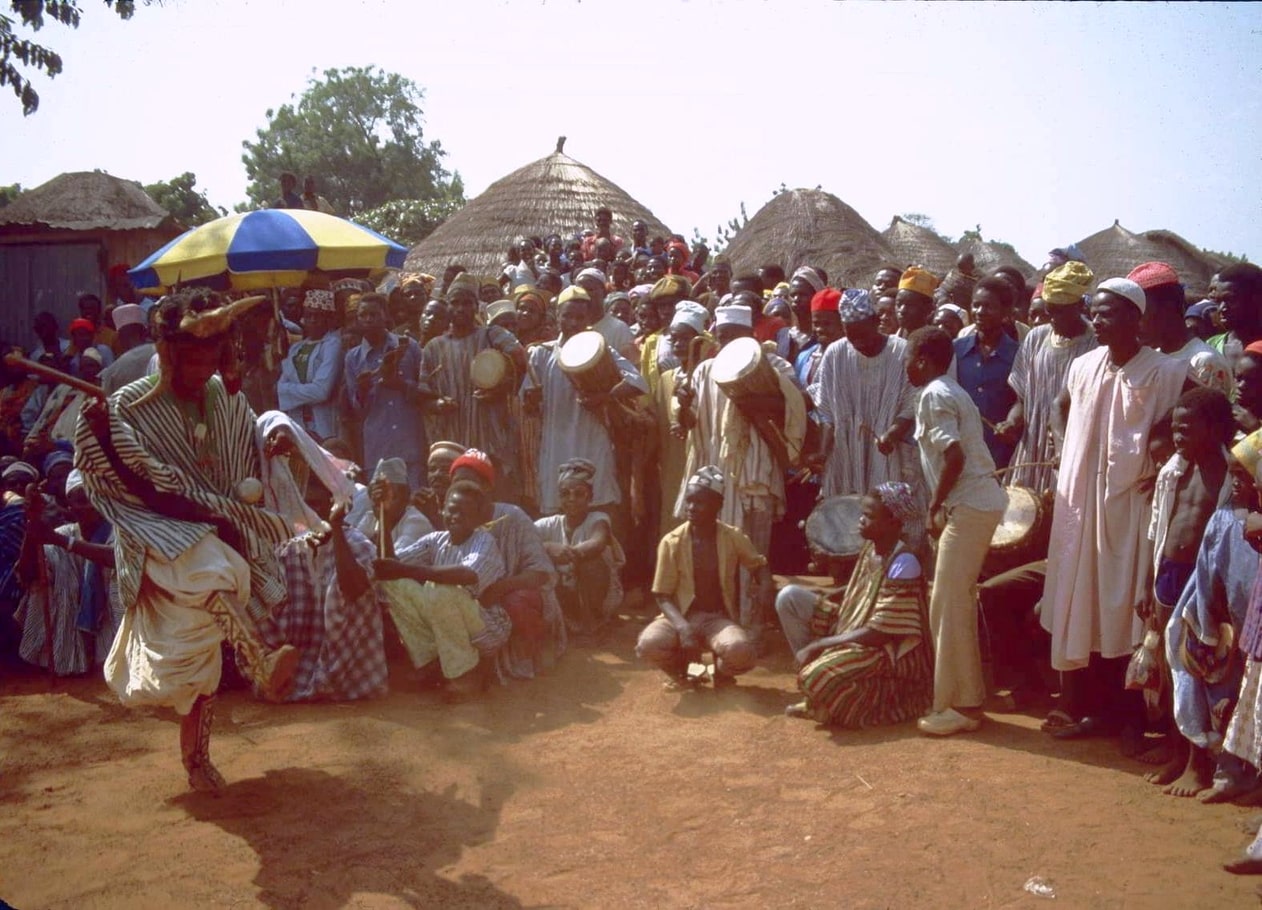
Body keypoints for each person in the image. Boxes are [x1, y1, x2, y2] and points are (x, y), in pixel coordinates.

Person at [73, 288, 299, 792]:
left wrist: (272, 446)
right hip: (158, 534)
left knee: (200, 662)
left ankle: (197, 761)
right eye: (191, 357)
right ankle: (259, 658)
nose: (201, 368)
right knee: (210, 568)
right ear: (169, 354)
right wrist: (103, 436)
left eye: (209, 356)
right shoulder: (127, 406)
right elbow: (103, 472)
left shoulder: (227, 398)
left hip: (217, 526)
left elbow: (244, 456)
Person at [1041, 278, 1189, 746]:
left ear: (1135, 318)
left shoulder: (1165, 371)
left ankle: (1130, 718)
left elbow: (1198, 411)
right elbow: (1061, 407)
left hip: (1131, 508)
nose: (1096, 320)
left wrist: (1163, 450)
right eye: (1095, 313)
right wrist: (1073, 455)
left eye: (1106, 313)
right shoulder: (1083, 366)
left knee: (1124, 606)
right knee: (1082, 599)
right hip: (1082, 505)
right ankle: (1088, 710)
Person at [675, 301, 805, 646]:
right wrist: (684, 403)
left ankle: (752, 628)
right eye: (722, 335)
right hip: (715, 479)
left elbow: (793, 409)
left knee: (753, 557)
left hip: (754, 477)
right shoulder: (703, 371)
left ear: (751, 335)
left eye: (735, 336)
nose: (727, 342)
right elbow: (690, 426)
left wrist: (754, 393)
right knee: (711, 559)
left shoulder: (775, 366)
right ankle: (714, 626)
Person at [905, 326, 1006, 736]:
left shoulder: (934, 395)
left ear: (923, 361)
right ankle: (963, 698)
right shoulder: (950, 390)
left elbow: (954, 456)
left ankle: (961, 705)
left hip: (970, 505)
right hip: (974, 504)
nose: (906, 368)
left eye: (909, 361)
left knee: (947, 602)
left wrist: (933, 506)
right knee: (953, 600)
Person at [1153, 399, 1251, 799]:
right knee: (1170, 670)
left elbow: (1227, 537)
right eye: (1175, 428)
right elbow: (1161, 525)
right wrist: (1150, 583)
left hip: (1204, 587)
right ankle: (1178, 753)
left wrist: (1218, 596)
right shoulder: (1177, 469)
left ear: (1214, 429)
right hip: (1169, 577)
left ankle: (1201, 764)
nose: (1178, 436)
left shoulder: (1231, 472)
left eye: (1187, 428)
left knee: (1204, 674)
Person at [778, 482, 932, 726]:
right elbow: (863, 589)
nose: (861, 520)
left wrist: (819, 644)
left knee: (819, 676)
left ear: (894, 523)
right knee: (790, 598)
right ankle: (819, 691)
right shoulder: (872, 547)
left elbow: (881, 632)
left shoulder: (904, 562)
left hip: (887, 652)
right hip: (853, 625)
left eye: (869, 516)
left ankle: (825, 693)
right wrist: (831, 594)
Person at [372, 481, 510, 694]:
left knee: (441, 588)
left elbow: (466, 575)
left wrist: (406, 570)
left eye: (466, 512)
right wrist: (383, 516)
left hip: (488, 627)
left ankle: (465, 673)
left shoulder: (484, 541)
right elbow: (392, 567)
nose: (456, 516)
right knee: (395, 584)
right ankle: (432, 662)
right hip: (449, 618)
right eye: (452, 510)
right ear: (442, 510)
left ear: (479, 518)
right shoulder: (436, 540)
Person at [635, 466, 764, 690]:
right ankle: (681, 673)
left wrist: (763, 598)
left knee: (741, 650)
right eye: (689, 501)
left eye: (700, 502)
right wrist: (683, 628)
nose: (691, 508)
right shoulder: (671, 541)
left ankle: (721, 674)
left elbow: (759, 565)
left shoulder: (732, 537)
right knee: (648, 645)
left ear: (718, 506)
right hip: (680, 616)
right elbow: (662, 596)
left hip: (717, 619)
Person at [522, 290, 648, 517]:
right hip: (555, 444)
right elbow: (528, 402)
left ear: (588, 318)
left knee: (597, 507)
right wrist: (531, 401)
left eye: (580, 318)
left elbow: (638, 383)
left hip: (592, 439)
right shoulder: (542, 354)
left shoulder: (600, 350)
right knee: (556, 511)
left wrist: (606, 396)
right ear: (557, 316)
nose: (573, 323)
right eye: (567, 316)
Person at [450, 449, 563, 678]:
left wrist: (500, 588)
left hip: (515, 599)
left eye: (470, 482)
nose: (464, 488)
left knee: (516, 600)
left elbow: (541, 573)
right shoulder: (452, 516)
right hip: (476, 601)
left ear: (487, 487)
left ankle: (528, 657)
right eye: (457, 482)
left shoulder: (513, 517)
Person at [421, 273, 526, 498]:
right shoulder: (433, 348)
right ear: (447, 307)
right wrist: (438, 404)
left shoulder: (492, 335)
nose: (460, 309)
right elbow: (423, 394)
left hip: (491, 437)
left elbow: (521, 360)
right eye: (454, 303)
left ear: (477, 306)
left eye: (466, 303)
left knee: (495, 498)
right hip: (452, 438)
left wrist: (502, 388)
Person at [810, 289, 919, 502]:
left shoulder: (902, 352)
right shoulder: (835, 353)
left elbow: (912, 403)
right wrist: (822, 453)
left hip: (889, 453)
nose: (858, 342)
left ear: (876, 321)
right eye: (852, 336)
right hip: (845, 453)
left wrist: (893, 433)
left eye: (863, 335)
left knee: (885, 515)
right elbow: (825, 411)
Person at [999, 261, 1097, 495]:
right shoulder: (1036, 338)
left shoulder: (1097, 343)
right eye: (1049, 311)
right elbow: (1022, 398)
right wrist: (1012, 422)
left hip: (1071, 454)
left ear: (1080, 306)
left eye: (1060, 311)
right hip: (1030, 452)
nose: (1052, 318)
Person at [14, 468, 119, 675]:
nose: (90, 506)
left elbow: (117, 558)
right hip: (69, 627)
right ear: (70, 505)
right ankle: (66, 656)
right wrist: (32, 525)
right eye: (81, 500)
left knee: (120, 583)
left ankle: (114, 657)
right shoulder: (64, 533)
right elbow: (27, 574)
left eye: (95, 498)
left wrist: (63, 542)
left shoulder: (117, 533)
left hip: (112, 625)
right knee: (52, 578)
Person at [343, 293, 427, 490]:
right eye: (363, 315)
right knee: (383, 510)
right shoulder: (353, 358)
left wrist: (398, 384)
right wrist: (363, 391)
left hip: (410, 445)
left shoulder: (408, 346)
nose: (368, 319)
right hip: (377, 449)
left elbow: (425, 390)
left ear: (385, 316)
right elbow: (357, 409)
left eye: (373, 314)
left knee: (415, 506)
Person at [535, 459, 625, 638]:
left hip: (599, 595)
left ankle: (593, 622)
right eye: (565, 493)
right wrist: (546, 547)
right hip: (566, 595)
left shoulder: (598, 519)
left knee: (590, 564)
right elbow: (524, 543)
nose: (571, 499)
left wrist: (568, 554)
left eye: (579, 493)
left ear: (590, 497)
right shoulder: (547, 525)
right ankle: (566, 621)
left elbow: (597, 542)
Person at [1130, 261, 1233, 397]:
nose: (1134, 324)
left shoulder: (1205, 362)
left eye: (1140, 314)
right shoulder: (1152, 355)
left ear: (1168, 308)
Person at [951, 275, 1020, 469]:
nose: (980, 312)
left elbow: (1021, 399)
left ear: (1005, 311)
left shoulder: (1018, 354)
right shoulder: (955, 350)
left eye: (988, 306)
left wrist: (1011, 422)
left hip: (999, 454)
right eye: (976, 305)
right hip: (961, 452)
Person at [278, 289, 343, 442]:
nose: (313, 320)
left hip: (323, 427)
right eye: (309, 315)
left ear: (329, 319)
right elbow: (279, 388)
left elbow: (321, 391)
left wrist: (287, 390)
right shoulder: (296, 348)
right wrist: (286, 390)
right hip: (298, 426)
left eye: (318, 316)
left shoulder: (333, 344)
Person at [895, 267, 940, 337]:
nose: (902, 310)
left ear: (928, 308)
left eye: (910, 305)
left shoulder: (933, 342)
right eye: (898, 304)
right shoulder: (890, 338)